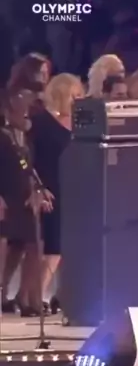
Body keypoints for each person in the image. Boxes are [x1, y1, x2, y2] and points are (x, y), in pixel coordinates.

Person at [30, 73, 83, 315]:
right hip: (51, 190)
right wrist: (38, 187)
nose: (78, 100)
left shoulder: (79, 124)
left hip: (74, 191)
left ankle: (62, 295)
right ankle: (37, 295)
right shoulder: (42, 122)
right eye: (74, 95)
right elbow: (33, 159)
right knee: (54, 247)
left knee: (71, 249)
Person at [0, 89, 50, 317]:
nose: (27, 117)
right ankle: (2, 294)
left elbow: (29, 168)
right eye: (23, 112)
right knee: (7, 246)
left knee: (30, 244)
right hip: (6, 196)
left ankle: (26, 296)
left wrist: (39, 189)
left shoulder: (23, 138)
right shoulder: (3, 137)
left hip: (24, 196)